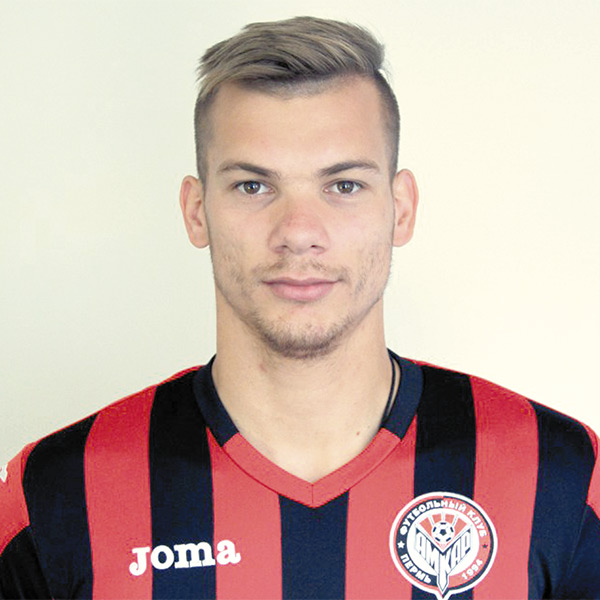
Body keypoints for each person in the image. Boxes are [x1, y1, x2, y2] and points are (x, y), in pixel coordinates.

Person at [0, 15, 598, 599]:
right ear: (197, 211)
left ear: (401, 208)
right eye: (253, 186)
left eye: (344, 185)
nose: (299, 232)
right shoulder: (56, 493)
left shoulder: (559, 475)